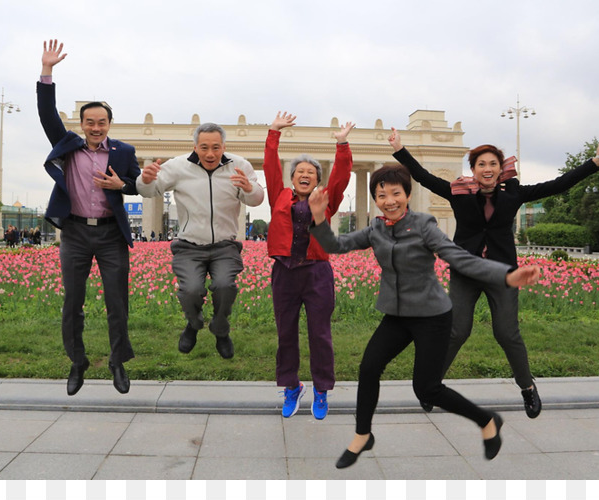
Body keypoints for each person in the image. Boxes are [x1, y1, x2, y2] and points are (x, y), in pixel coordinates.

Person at [307, 165, 541, 468]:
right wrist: (318, 216)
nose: (389, 200)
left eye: (395, 193)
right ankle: (362, 435)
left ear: (407, 194)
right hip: (397, 315)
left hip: (432, 316)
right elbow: (335, 246)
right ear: (375, 199)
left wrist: (507, 275)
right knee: (369, 368)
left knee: (427, 388)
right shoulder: (376, 230)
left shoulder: (424, 225)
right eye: (381, 195)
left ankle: (487, 421)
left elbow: (459, 258)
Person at [388, 128, 599, 417]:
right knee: (456, 331)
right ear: (473, 168)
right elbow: (422, 176)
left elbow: (558, 184)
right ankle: (430, 387)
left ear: (499, 168)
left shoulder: (514, 193)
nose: (487, 169)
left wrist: (596, 161)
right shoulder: (459, 192)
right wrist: (399, 149)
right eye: (481, 164)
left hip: (503, 273)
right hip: (466, 271)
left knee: (507, 333)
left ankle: (527, 388)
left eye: (492, 164)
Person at [37, 39, 141, 396]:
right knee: (72, 302)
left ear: (110, 124)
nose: (96, 127)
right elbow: (47, 114)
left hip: (112, 236)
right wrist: (47, 72)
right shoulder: (68, 144)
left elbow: (136, 184)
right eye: (89, 122)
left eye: (102, 122)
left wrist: (121, 183)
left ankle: (117, 362)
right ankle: (77, 362)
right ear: (81, 123)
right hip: (76, 233)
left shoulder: (124, 151)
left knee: (117, 302)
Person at [137, 122, 264, 359]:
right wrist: (144, 180)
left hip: (225, 246)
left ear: (224, 146)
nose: (210, 153)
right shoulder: (177, 166)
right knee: (191, 290)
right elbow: (149, 191)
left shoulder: (240, 166)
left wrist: (249, 188)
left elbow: (257, 198)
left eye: (216, 147)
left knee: (225, 286)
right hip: (189, 246)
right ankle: (193, 324)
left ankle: (220, 329)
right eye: (204, 147)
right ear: (195, 146)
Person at [263, 112, 353, 420]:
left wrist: (342, 145)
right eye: (299, 171)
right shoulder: (279, 194)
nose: (305, 174)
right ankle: (291, 386)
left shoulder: (326, 199)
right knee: (285, 332)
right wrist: (273, 133)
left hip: (317, 273)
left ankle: (321, 390)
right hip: (285, 272)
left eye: (310, 172)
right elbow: (270, 166)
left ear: (317, 178)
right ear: (291, 178)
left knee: (320, 333)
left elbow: (342, 175)